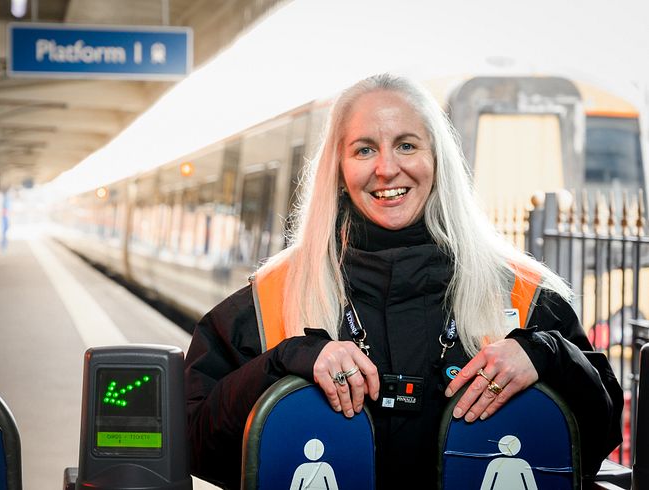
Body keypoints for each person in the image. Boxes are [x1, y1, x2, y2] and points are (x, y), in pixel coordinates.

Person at [184, 73, 623, 489]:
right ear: (338, 169)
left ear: (437, 159)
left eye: (407, 145)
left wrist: (549, 357)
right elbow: (197, 443)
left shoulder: (525, 295)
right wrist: (282, 362)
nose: (387, 169)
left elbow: (600, 434)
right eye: (364, 150)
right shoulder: (269, 298)